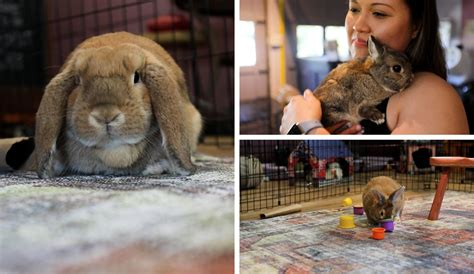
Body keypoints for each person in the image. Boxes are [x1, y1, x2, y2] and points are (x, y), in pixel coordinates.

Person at [280, 0, 469, 134]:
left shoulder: (431, 95)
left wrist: (306, 127)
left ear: (416, 26)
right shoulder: (353, 76)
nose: (358, 25)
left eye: (379, 13)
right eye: (354, 9)